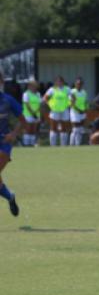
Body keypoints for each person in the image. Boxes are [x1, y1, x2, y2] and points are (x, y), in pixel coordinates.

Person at [0, 72, 24, 216]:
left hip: (3, 144)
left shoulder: (7, 100)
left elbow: (23, 120)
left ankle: (10, 197)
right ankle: (10, 197)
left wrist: (13, 134)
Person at [43, 75, 71, 146]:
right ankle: (53, 146)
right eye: (57, 81)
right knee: (53, 128)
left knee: (64, 128)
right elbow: (45, 98)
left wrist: (69, 104)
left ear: (63, 82)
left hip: (64, 110)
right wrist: (50, 105)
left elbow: (73, 98)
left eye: (60, 81)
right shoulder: (52, 89)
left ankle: (63, 145)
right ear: (55, 82)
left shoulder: (67, 89)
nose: (59, 82)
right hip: (55, 110)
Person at [22, 79, 41, 147]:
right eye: (33, 85)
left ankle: (32, 143)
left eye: (35, 85)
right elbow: (27, 105)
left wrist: (36, 113)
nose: (34, 87)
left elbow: (40, 104)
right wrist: (33, 113)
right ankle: (26, 144)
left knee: (34, 129)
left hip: (36, 114)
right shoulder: (26, 94)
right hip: (28, 114)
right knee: (28, 129)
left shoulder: (38, 94)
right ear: (29, 86)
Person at [69, 77, 88, 146]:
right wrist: (78, 110)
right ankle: (72, 143)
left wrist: (85, 109)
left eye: (80, 84)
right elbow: (71, 103)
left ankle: (78, 144)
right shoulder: (72, 92)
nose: (79, 85)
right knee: (75, 128)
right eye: (77, 84)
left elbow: (85, 102)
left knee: (81, 128)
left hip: (82, 111)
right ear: (75, 84)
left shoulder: (84, 92)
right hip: (75, 111)